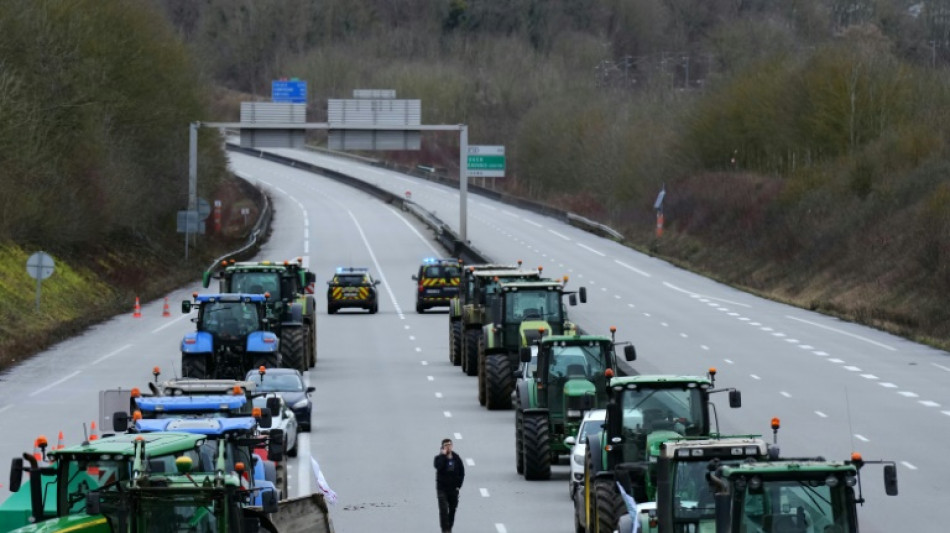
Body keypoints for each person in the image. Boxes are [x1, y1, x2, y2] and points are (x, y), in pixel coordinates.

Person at [433, 438, 464, 533]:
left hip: (453, 488)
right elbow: (438, 467)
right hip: (442, 488)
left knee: (452, 509)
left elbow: (462, 472)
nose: (448, 446)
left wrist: (458, 485)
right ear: (442, 447)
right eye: (446, 445)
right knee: (443, 509)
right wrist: (443, 456)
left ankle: (449, 527)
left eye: (449, 445)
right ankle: (445, 529)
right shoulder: (439, 458)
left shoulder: (456, 458)